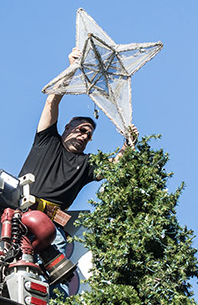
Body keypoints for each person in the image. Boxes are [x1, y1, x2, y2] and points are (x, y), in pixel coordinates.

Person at [19, 48, 137, 289]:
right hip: (21, 210)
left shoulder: (85, 165)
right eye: (80, 129)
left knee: (57, 275)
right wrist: (72, 69)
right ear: (67, 128)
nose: (84, 135)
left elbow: (113, 166)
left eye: (89, 134)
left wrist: (128, 145)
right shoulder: (47, 140)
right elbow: (53, 98)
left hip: (51, 227)